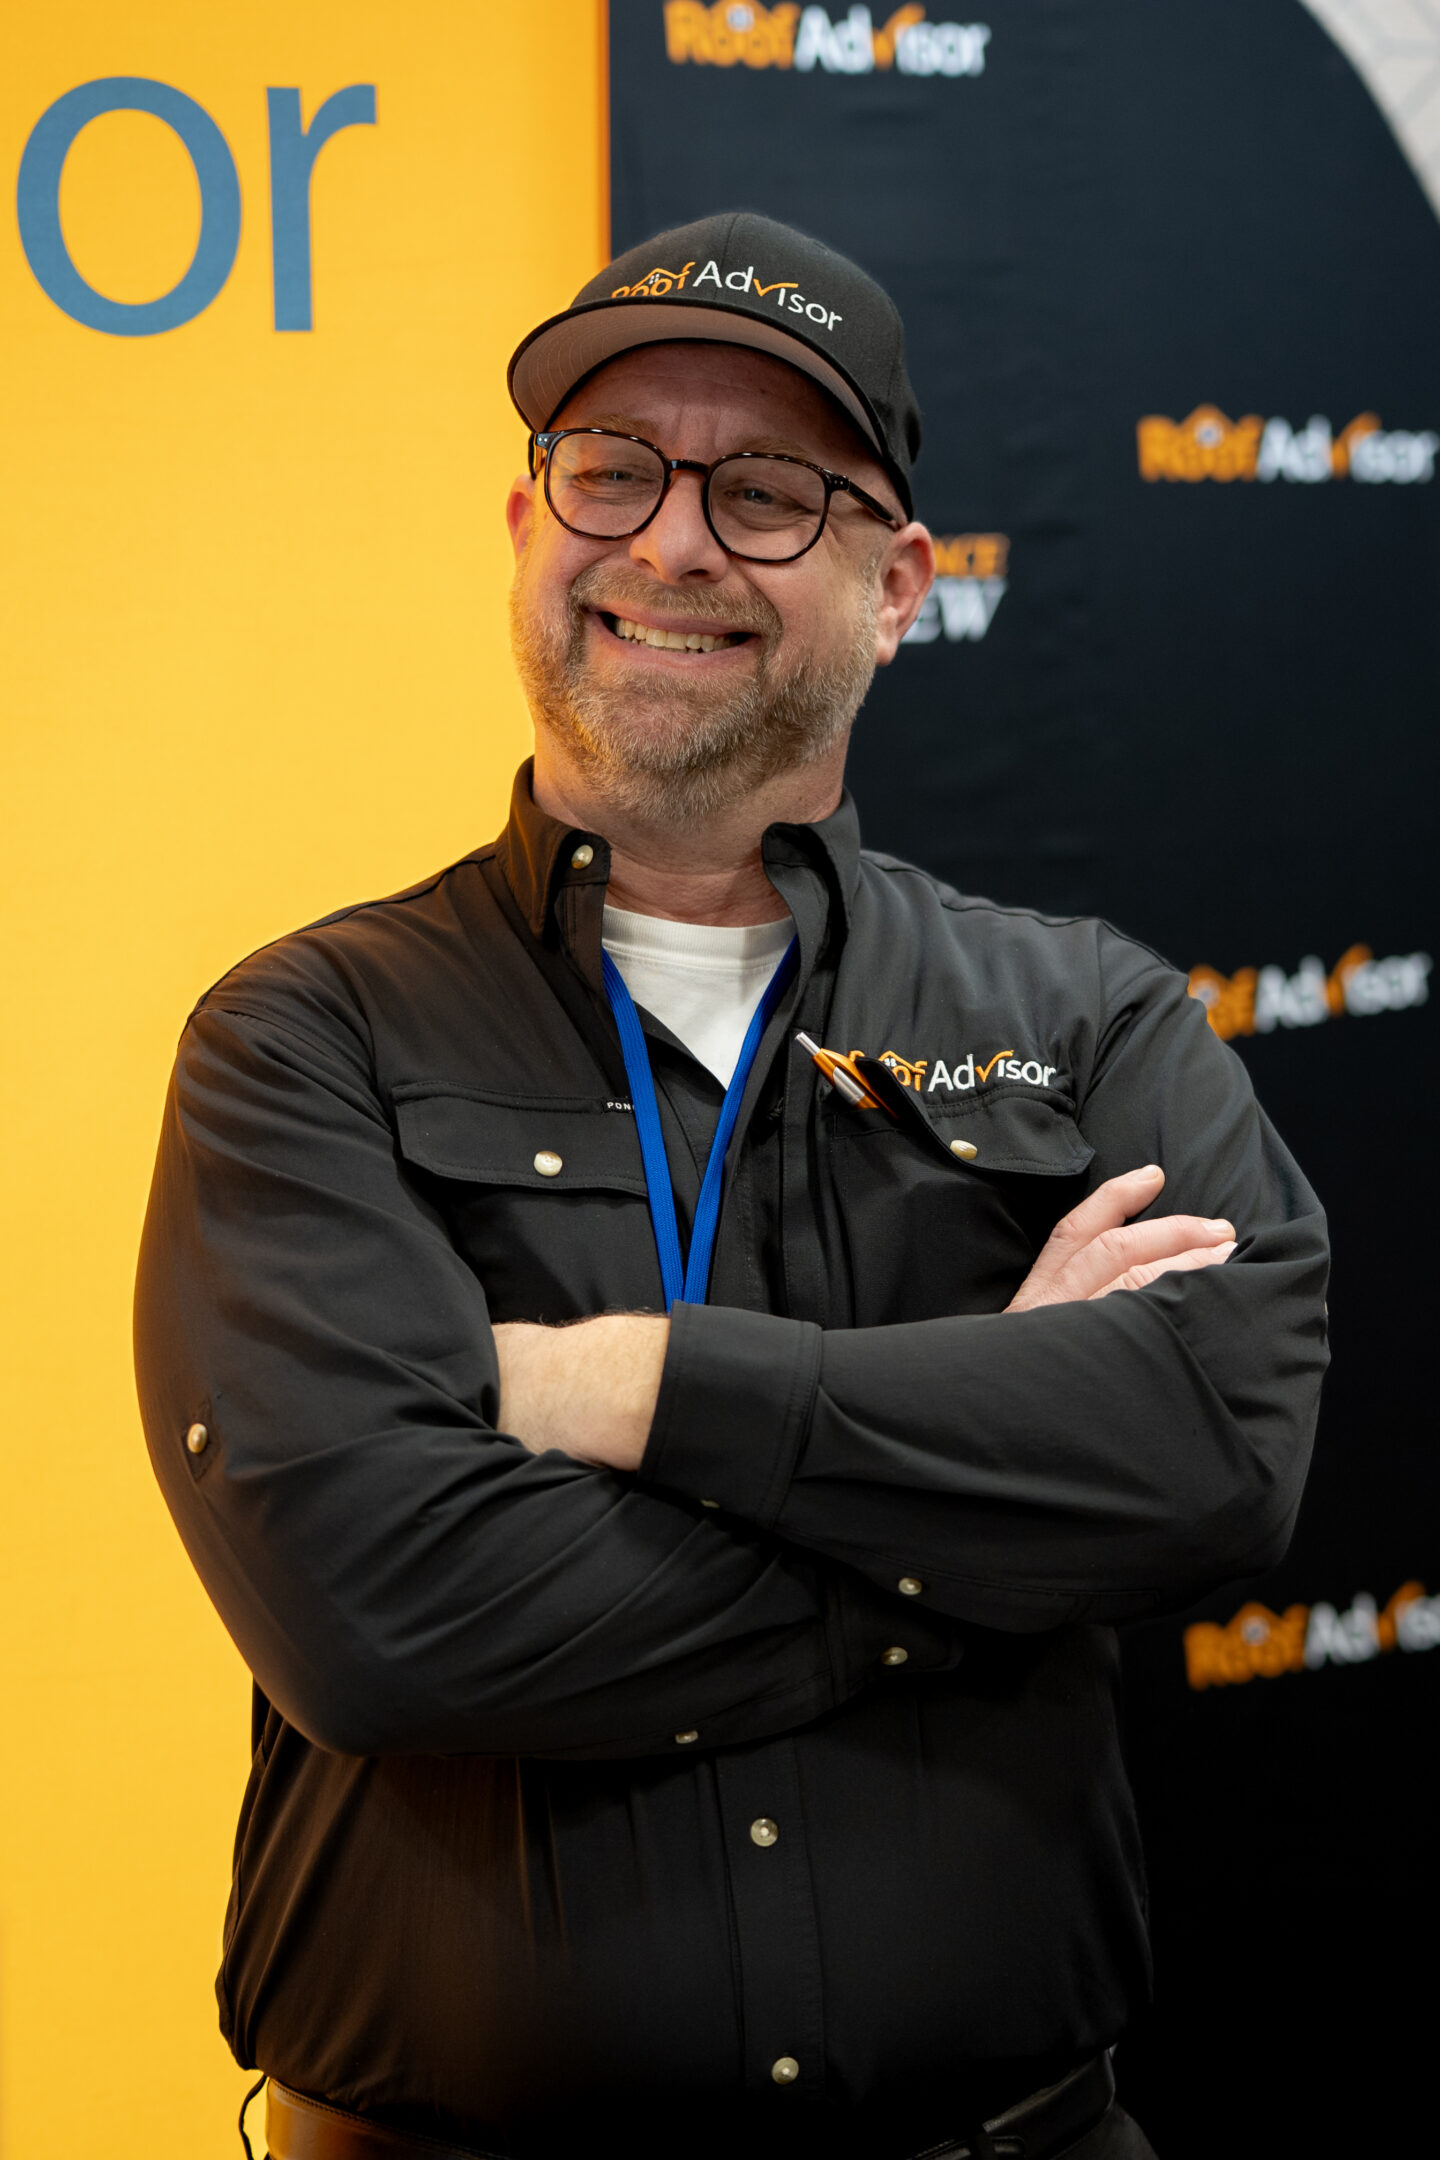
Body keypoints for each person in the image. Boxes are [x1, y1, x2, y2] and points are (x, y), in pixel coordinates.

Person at [134, 211, 1328, 2160]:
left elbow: (1209, 1459)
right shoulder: (306, 1037)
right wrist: (971, 1521)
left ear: (902, 584)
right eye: (611, 471)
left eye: (770, 491)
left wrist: (629, 1396)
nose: (674, 542)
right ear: (528, 530)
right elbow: (376, 1616)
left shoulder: (1087, 1020)